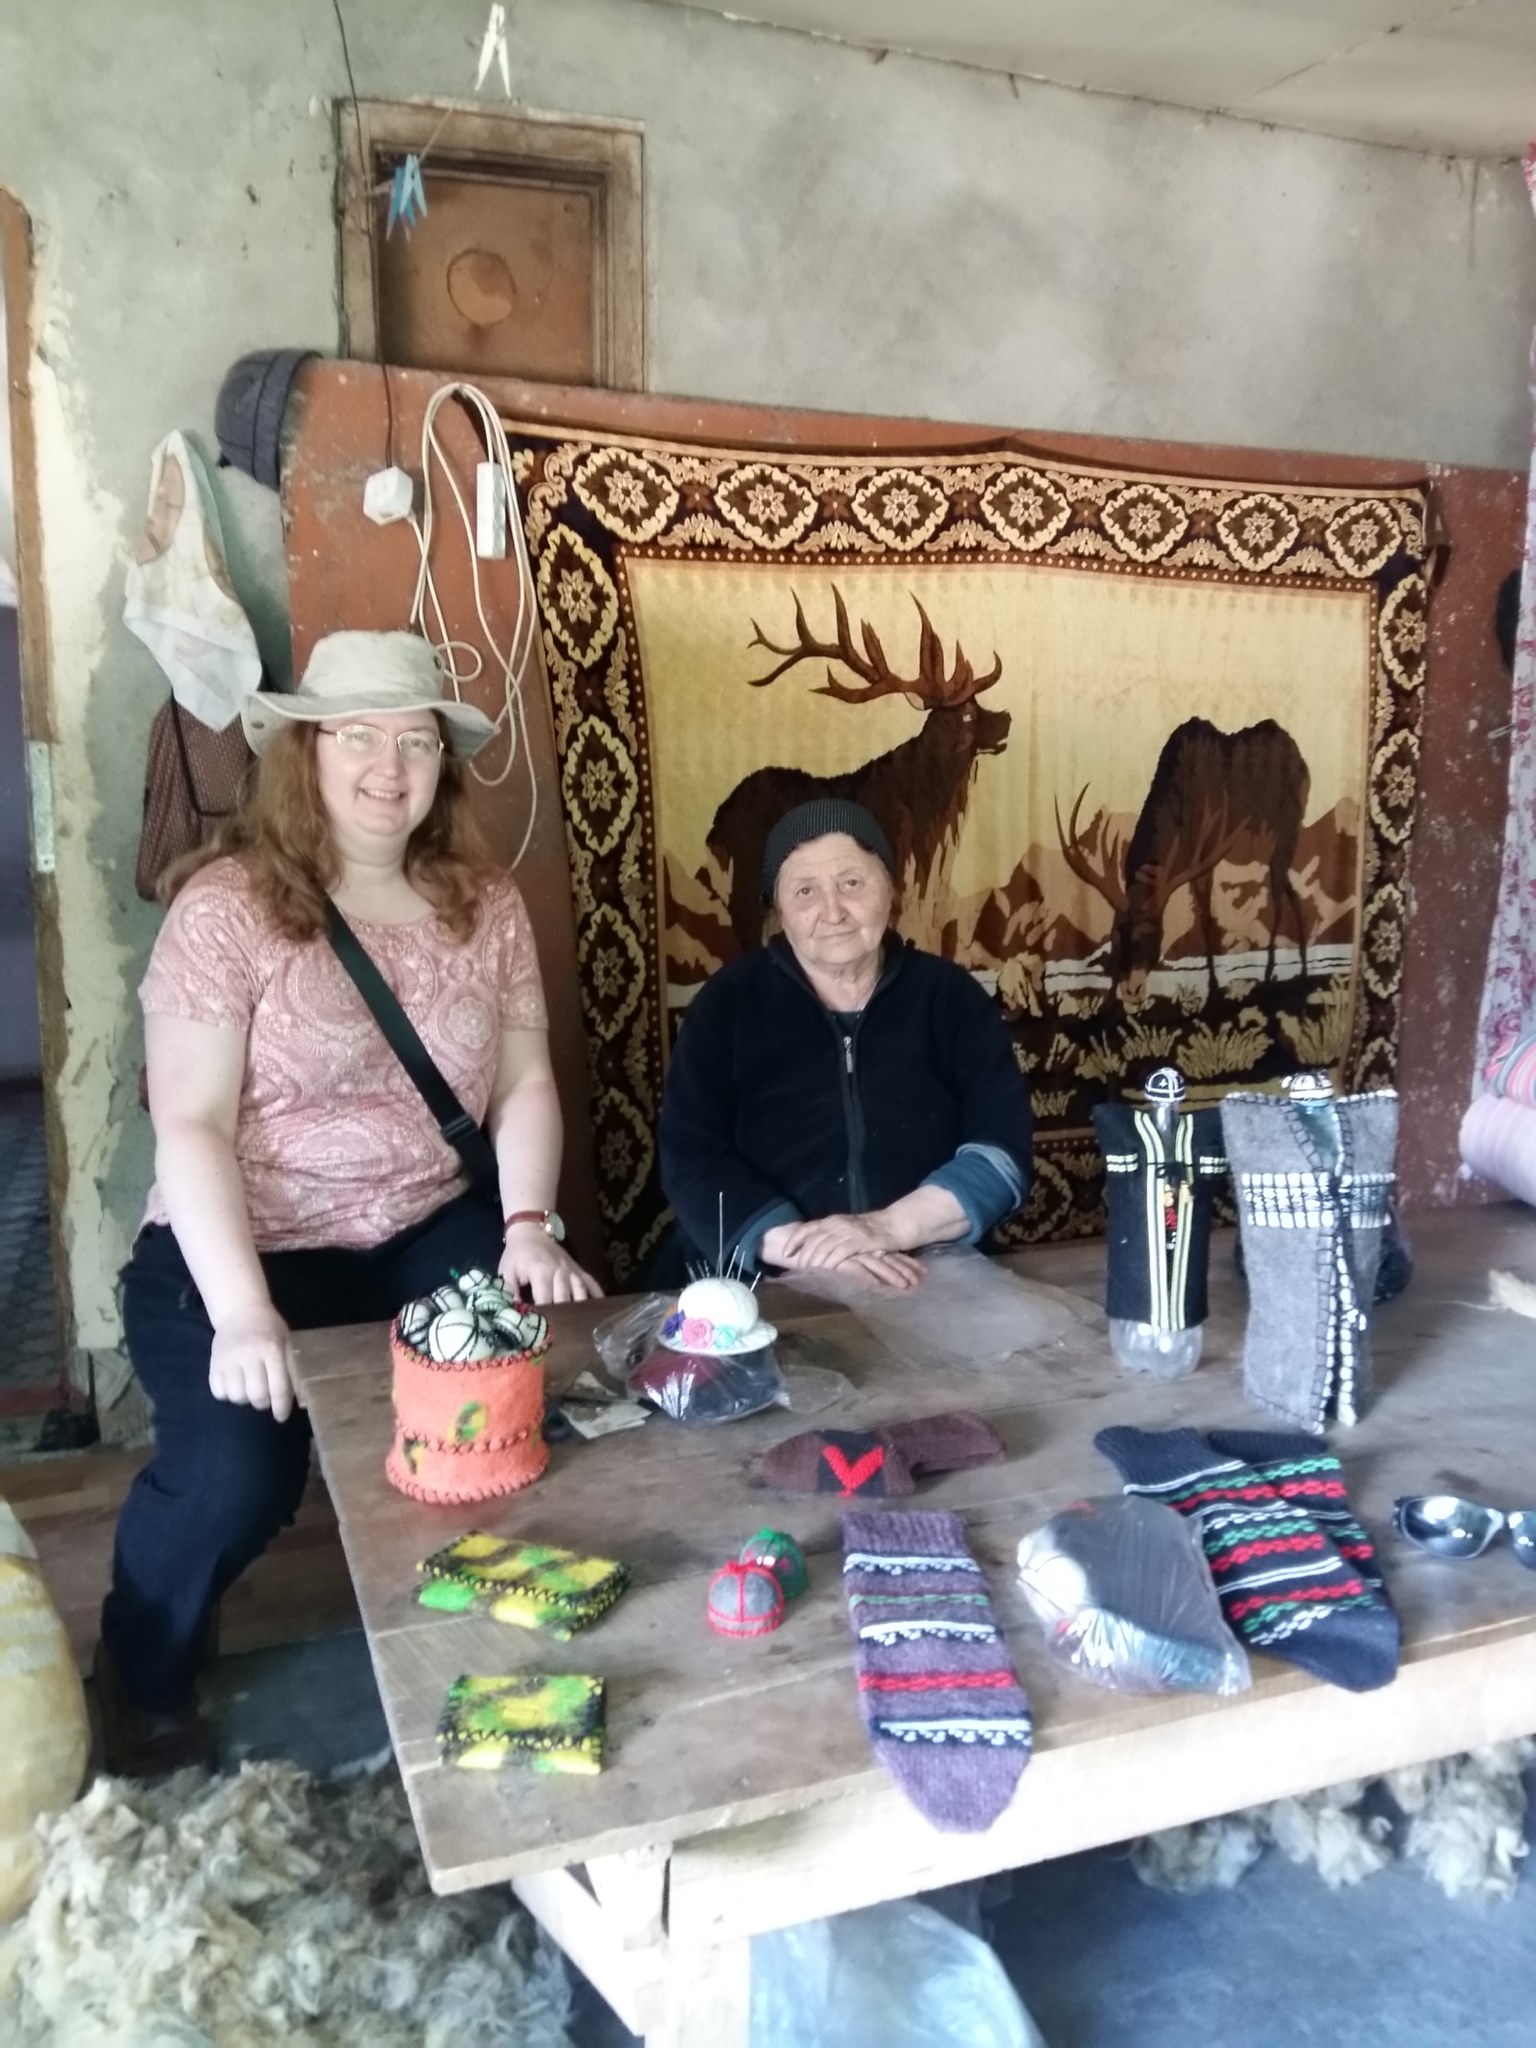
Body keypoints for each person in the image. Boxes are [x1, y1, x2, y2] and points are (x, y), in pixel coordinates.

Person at [97, 630, 600, 1772]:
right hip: (241, 1244)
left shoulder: (486, 900)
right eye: (360, 736)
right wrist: (243, 1314)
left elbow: (524, 1079)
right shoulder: (227, 908)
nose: (390, 765)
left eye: (416, 740)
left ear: (442, 766)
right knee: (237, 1469)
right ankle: (144, 1661)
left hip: (422, 1222)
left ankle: (488, 1648)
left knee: (514, 1403)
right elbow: (191, 1124)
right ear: (306, 751)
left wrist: (527, 1221)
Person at [659, 798, 1033, 1290]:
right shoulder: (728, 1004)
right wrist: (801, 1247)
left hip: (926, 1271)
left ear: (890, 890)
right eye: (805, 891)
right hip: (761, 1276)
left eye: (852, 883)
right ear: (779, 911)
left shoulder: (948, 998)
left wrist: (886, 1228)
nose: (832, 910)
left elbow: (1001, 1147)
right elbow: (690, 1154)